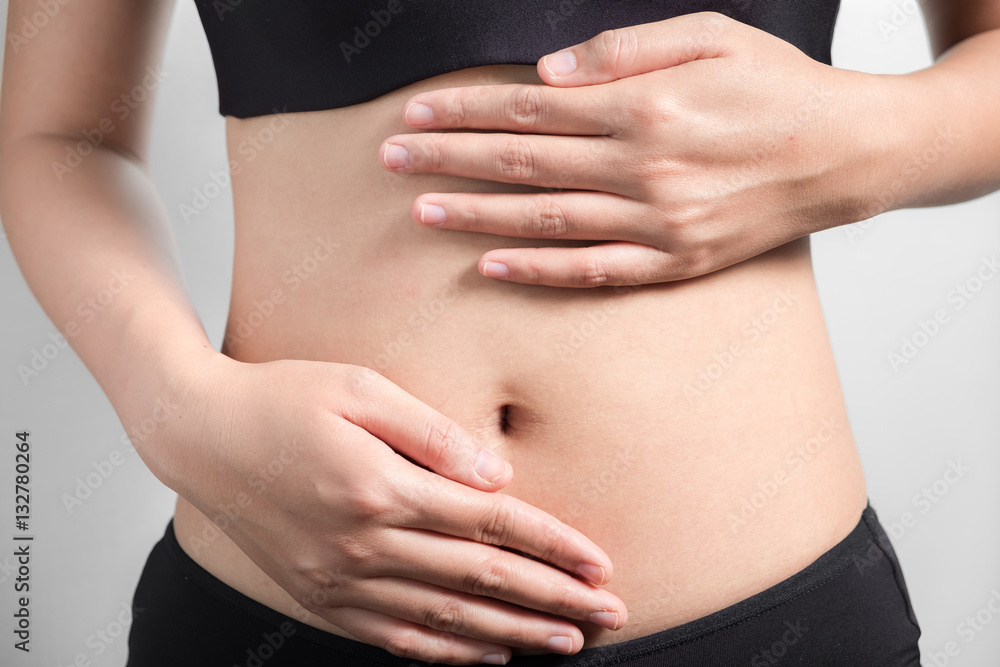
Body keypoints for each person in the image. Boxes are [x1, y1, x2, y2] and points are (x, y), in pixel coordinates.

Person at [1, 0, 997, 664]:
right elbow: (56, 135)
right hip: (289, 600)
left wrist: (860, 140)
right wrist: (174, 405)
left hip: (774, 616)